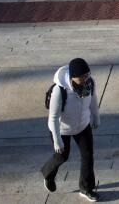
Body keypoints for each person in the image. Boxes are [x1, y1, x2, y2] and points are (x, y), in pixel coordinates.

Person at [41, 58, 100, 201]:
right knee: (61, 156)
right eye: (82, 77)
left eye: (87, 75)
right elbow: (53, 118)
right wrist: (57, 141)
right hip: (62, 130)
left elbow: (93, 100)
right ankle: (48, 174)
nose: (86, 79)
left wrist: (96, 117)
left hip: (82, 126)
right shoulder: (59, 91)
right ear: (73, 77)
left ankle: (86, 188)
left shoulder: (90, 84)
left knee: (88, 156)